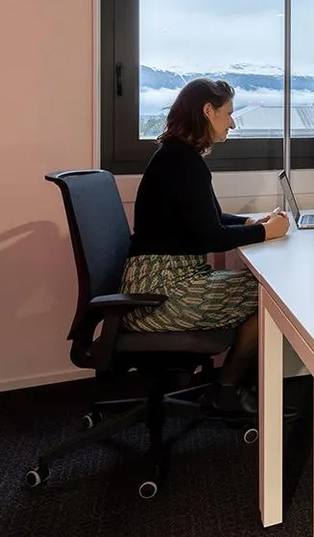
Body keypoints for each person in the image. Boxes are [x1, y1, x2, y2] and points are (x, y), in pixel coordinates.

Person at [122, 77, 290, 417]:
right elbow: (210, 238)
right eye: (227, 113)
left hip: (161, 280)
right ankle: (228, 391)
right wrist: (267, 234)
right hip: (162, 292)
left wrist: (249, 223)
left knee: (266, 290)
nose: (232, 122)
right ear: (207, 111)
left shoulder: (177, 157)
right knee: (275, 296)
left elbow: (207, 219)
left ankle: (234, 385)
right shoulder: (183, 163)